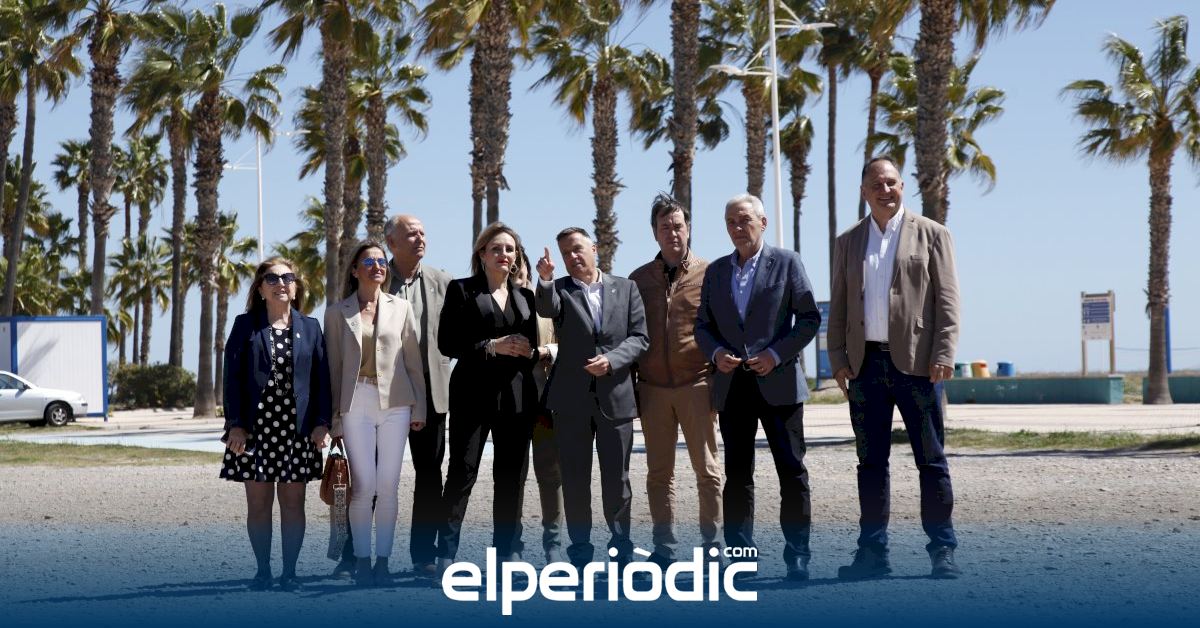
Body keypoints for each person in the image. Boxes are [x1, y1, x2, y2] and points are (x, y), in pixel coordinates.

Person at [829, 156, 962, 580]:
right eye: (876, 184)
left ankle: (942, 550)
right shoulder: (848, 241)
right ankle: (873, 554)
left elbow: (947, 300)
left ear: (902, 186)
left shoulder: (933, 234)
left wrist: (944, 352)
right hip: (865, 365)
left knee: (931, 460)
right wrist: (837, 358)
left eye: (891, 183)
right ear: (863, 192)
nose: (885, 190)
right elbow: (839, 304)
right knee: (870, 464)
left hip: (918, 365)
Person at [695, 194, 821, 581]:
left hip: (779, 384)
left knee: (792, 472)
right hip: (733, 386)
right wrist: (716, 353)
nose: (737, 227)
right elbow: (702, 326)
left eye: (744, 220)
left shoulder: (787, 263)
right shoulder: (716, 271)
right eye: (731, 221)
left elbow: (809, 318)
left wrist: (775, 355)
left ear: (762, 222)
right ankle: (741, 557)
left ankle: (797, 555)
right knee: (737, 477)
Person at [535, 228, 649, 571]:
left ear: (594, 248)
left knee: (618, 480)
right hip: (571, 401)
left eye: (577, 249)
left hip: (616, 398)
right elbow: (545, 308)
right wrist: (545, 279)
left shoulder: (626, 288)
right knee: (575, 480)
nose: (572, 257)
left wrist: (612, 360)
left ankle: (621, 551)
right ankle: (581, 553)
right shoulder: (559, 290)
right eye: (565, 253)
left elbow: (640, 337)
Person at [433, 222, 539, 577]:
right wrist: (491, 346)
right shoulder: (461, 290)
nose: (503, 254)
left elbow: (532, 346)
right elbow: (447, 342)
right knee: (462, 472)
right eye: (496, 248)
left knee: (512, 477)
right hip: (472, 395)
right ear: (482, 254)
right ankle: (446, 553)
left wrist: (531, 350)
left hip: (517, 397)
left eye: (510, 249)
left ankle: (507, 552)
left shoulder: (526, 297)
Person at [221, 257, 332, 592]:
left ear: (295, 287)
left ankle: (290, 573)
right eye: (272, 278)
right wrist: (235, 425)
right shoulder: (245, 325)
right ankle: (263, 571)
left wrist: (322, 423)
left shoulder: (310, 327)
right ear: (260, 288)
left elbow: (322, 381)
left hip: (297, 432)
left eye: (287, 278)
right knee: (258, 505)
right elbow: (232, 379)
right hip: (253, 432)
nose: (280, 283)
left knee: (294, 504)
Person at [325, 241, 427, 587]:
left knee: (388, 486)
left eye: (381, 261)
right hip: (356, 403)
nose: (377, 266)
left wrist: (419, 407)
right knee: (363, 486)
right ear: (355, 270)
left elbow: (413, 362)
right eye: (368, 262)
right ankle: (362, 562)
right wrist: (335, 419)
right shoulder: (336, 313)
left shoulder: (402, 308)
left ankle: (383, 562)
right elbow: (333, 369)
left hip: (396, 403)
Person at [629, 194, 723, 567]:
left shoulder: (710, 274)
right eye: (665, 227)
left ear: (689, 229)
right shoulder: (638, 280)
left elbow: (721, 329)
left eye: (678, 226)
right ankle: (664, 549)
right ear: (655, 233)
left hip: (697, 384)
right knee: (658, 474)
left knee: (708, 471)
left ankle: (713, 548)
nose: (672, 233)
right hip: (652, 389)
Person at [381, 214, 454, 577]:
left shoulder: (444, 282)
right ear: (391, 243)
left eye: (423, 233)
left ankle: (423, 554)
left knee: (429, 476)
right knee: (372, 478)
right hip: (383, 393)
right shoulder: (375, 277)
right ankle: (356, 555)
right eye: (411, 234)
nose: (420, 238)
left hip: (431, 392)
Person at [513, 246, 565, 566]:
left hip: (545, 401)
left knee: (550, 473)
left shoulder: (542, 303)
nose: (515, 276)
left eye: (519, 271)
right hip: (512, 405)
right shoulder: (497, 304)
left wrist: (547, 350)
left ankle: (553, 544)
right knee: (514, 476)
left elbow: (565, 342)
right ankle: (513, 544)